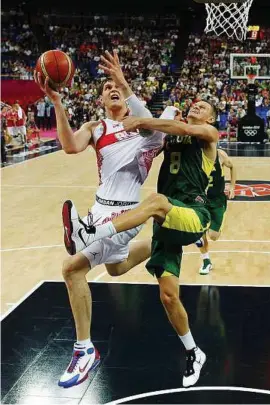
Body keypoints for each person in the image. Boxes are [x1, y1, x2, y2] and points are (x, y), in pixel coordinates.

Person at [62, 100, 219, 387]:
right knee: (167, 296)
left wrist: (142, 120)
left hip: (193, 212)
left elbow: (176, 126)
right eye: (195, 103)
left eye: (204, 106)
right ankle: (194, 351)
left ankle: (90, 233)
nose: (197, 105)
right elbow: (164, 131)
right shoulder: (173, 135)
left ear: (212, 117)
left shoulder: (209, 134)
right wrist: (143, 118)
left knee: (156, 202)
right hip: (168, 221)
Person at [34, 50, 166, 389]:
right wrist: (58, 101)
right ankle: (164, 242)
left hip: (126, 212)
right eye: (107, 87)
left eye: (117, 86)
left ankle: (84, 350)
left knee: (72, 268)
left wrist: (125, 81)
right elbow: (69, 146)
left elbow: (155, 132)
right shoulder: (96, 127)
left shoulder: (141, 125)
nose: (112, 89)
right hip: (99, 206)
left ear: (125, 93)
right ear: (101, 99)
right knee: (116, 268)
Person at [195, 149, 236, 275]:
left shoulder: (220, 155)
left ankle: (209, 224)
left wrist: (233, 186)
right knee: (199, 232)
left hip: (217, 200)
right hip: (201, 199)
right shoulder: (195, 155)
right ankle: (206, 261)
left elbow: (232, 167)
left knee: (213, 236)